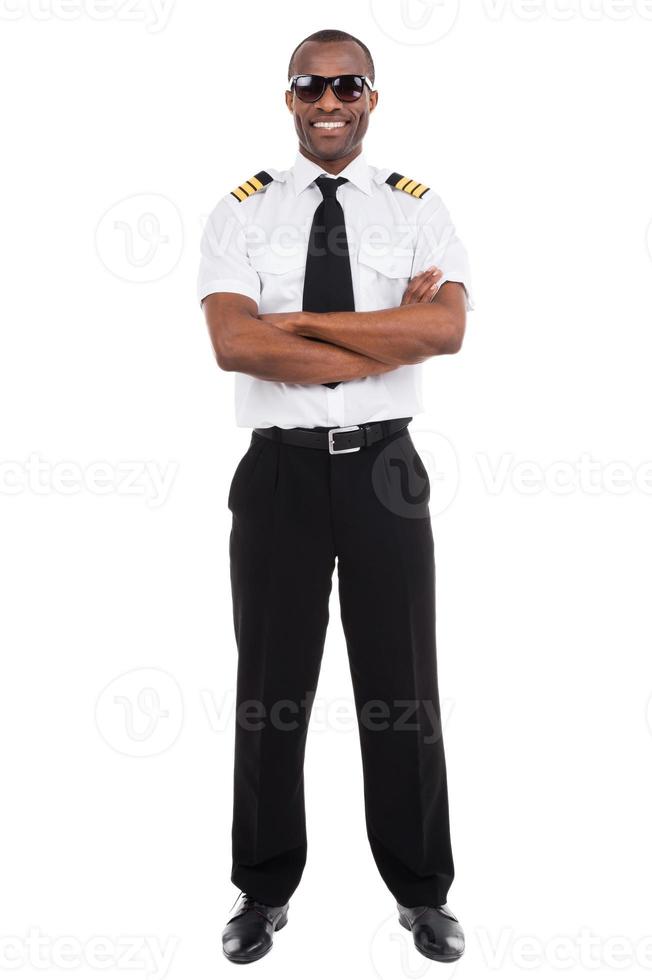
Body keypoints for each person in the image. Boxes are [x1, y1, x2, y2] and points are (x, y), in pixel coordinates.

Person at [197, 27, 474, 966]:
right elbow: (236, 346)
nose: (329, 103)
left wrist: (304, 323)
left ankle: (423, 892)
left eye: (346, 86)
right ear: (289, 99)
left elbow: (446, 331)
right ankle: (261, 889)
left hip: (383, 473)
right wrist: (381, 330)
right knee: (270, 691)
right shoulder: (242, 211)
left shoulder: (416, 207)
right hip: (276, 474)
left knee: (402, 687)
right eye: (311, 88)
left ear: (371, 97)